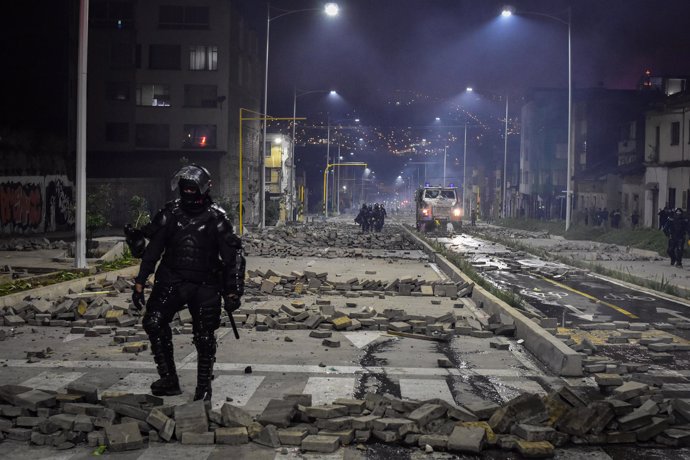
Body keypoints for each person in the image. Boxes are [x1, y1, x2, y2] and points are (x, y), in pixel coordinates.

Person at [126, 165, 245, 401]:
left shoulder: (217, 218)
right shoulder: (170, 214)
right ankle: (169, 379)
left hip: (206, 283)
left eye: (192, 187)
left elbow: (234, 257)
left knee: (204, 336)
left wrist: (233, 291)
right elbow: (152, 250)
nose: (188, 192)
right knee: (153, 322)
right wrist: (140, 281)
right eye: (185, 187)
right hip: (172, 279)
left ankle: (203, 387)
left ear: (203, 188)